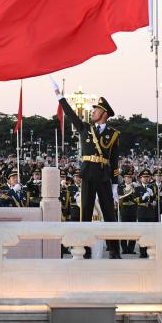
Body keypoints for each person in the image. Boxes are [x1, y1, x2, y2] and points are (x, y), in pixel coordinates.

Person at [53, 82, 122, 258]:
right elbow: (69, 114)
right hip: (88, 174)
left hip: (104, 175)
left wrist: (115, 185)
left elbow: (114, 161)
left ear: (104, 114)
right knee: (86, 212)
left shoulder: (113, 134)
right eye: (92, 110)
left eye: (96, 110)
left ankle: (114, 249)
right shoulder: (85, 128)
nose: (92, 112)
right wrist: (60, 97)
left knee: (109, 215)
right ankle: (85, 248)